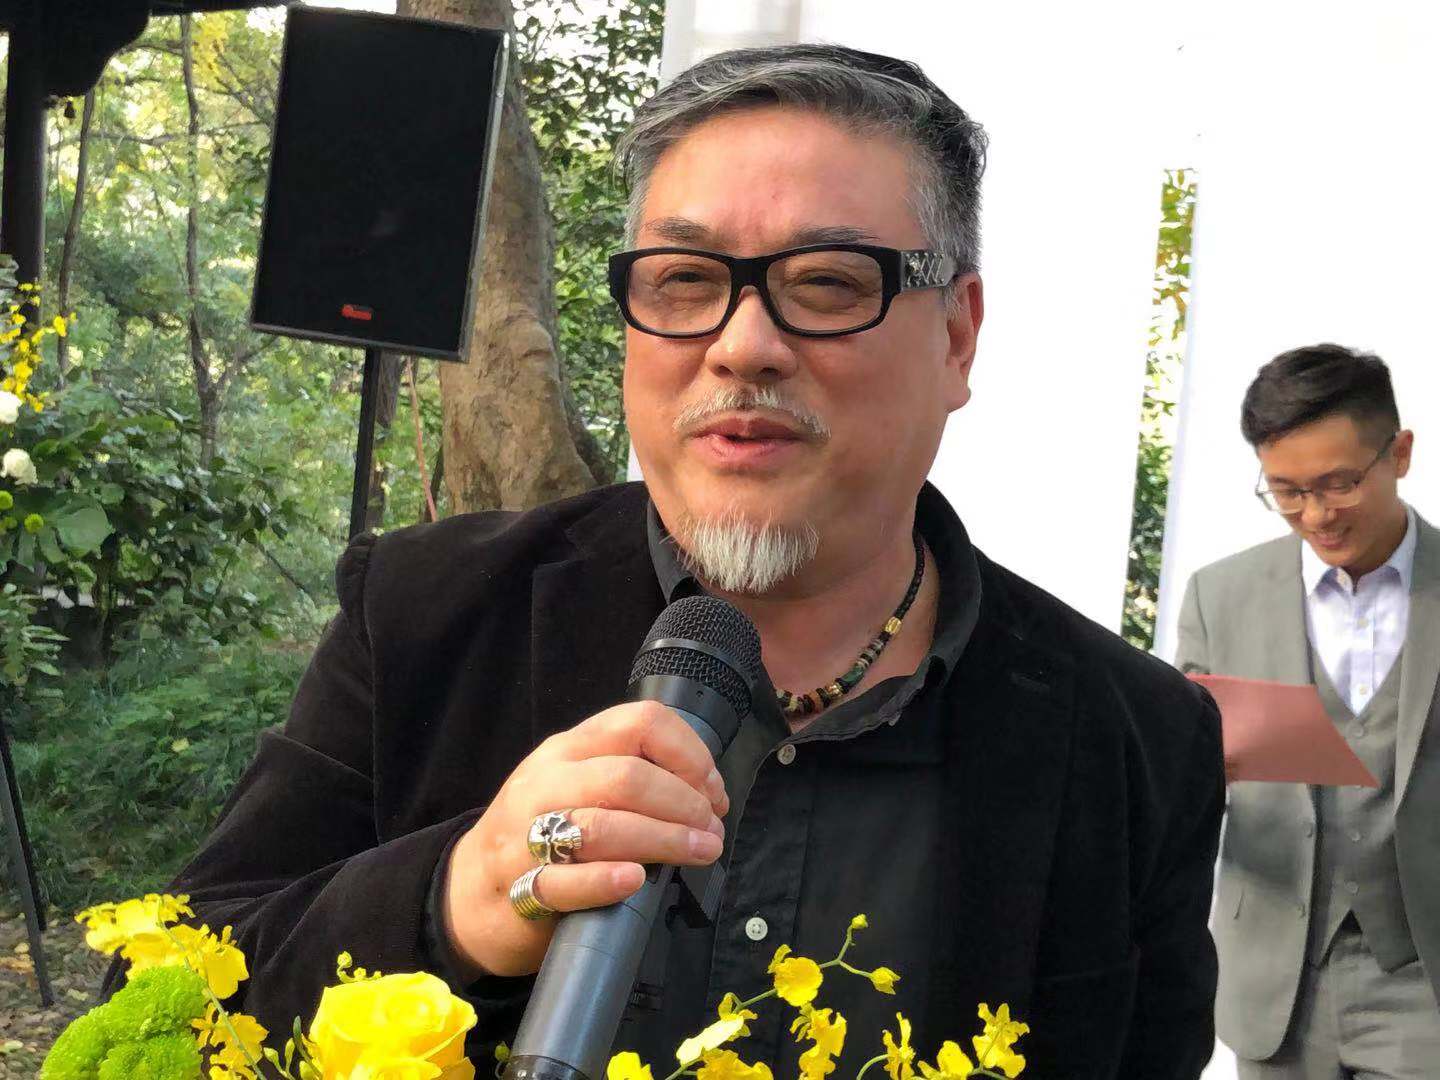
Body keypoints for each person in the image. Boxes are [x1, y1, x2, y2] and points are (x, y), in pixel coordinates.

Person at [173, 44, 1222, 1078]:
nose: (742, 344)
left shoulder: (1137, 742)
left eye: (826, 282)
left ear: (956, 336)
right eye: (683, 279)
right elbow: (170, 1003)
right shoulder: (423, 615)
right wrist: (457, 901)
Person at [1175, 344, 1440, 1079]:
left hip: (1424, 975)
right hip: (1276, 976)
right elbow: (1181, 779)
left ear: (1400, 454)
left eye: (1338, 484)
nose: (1317, 515)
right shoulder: (1218, 597)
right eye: (1287, 492)